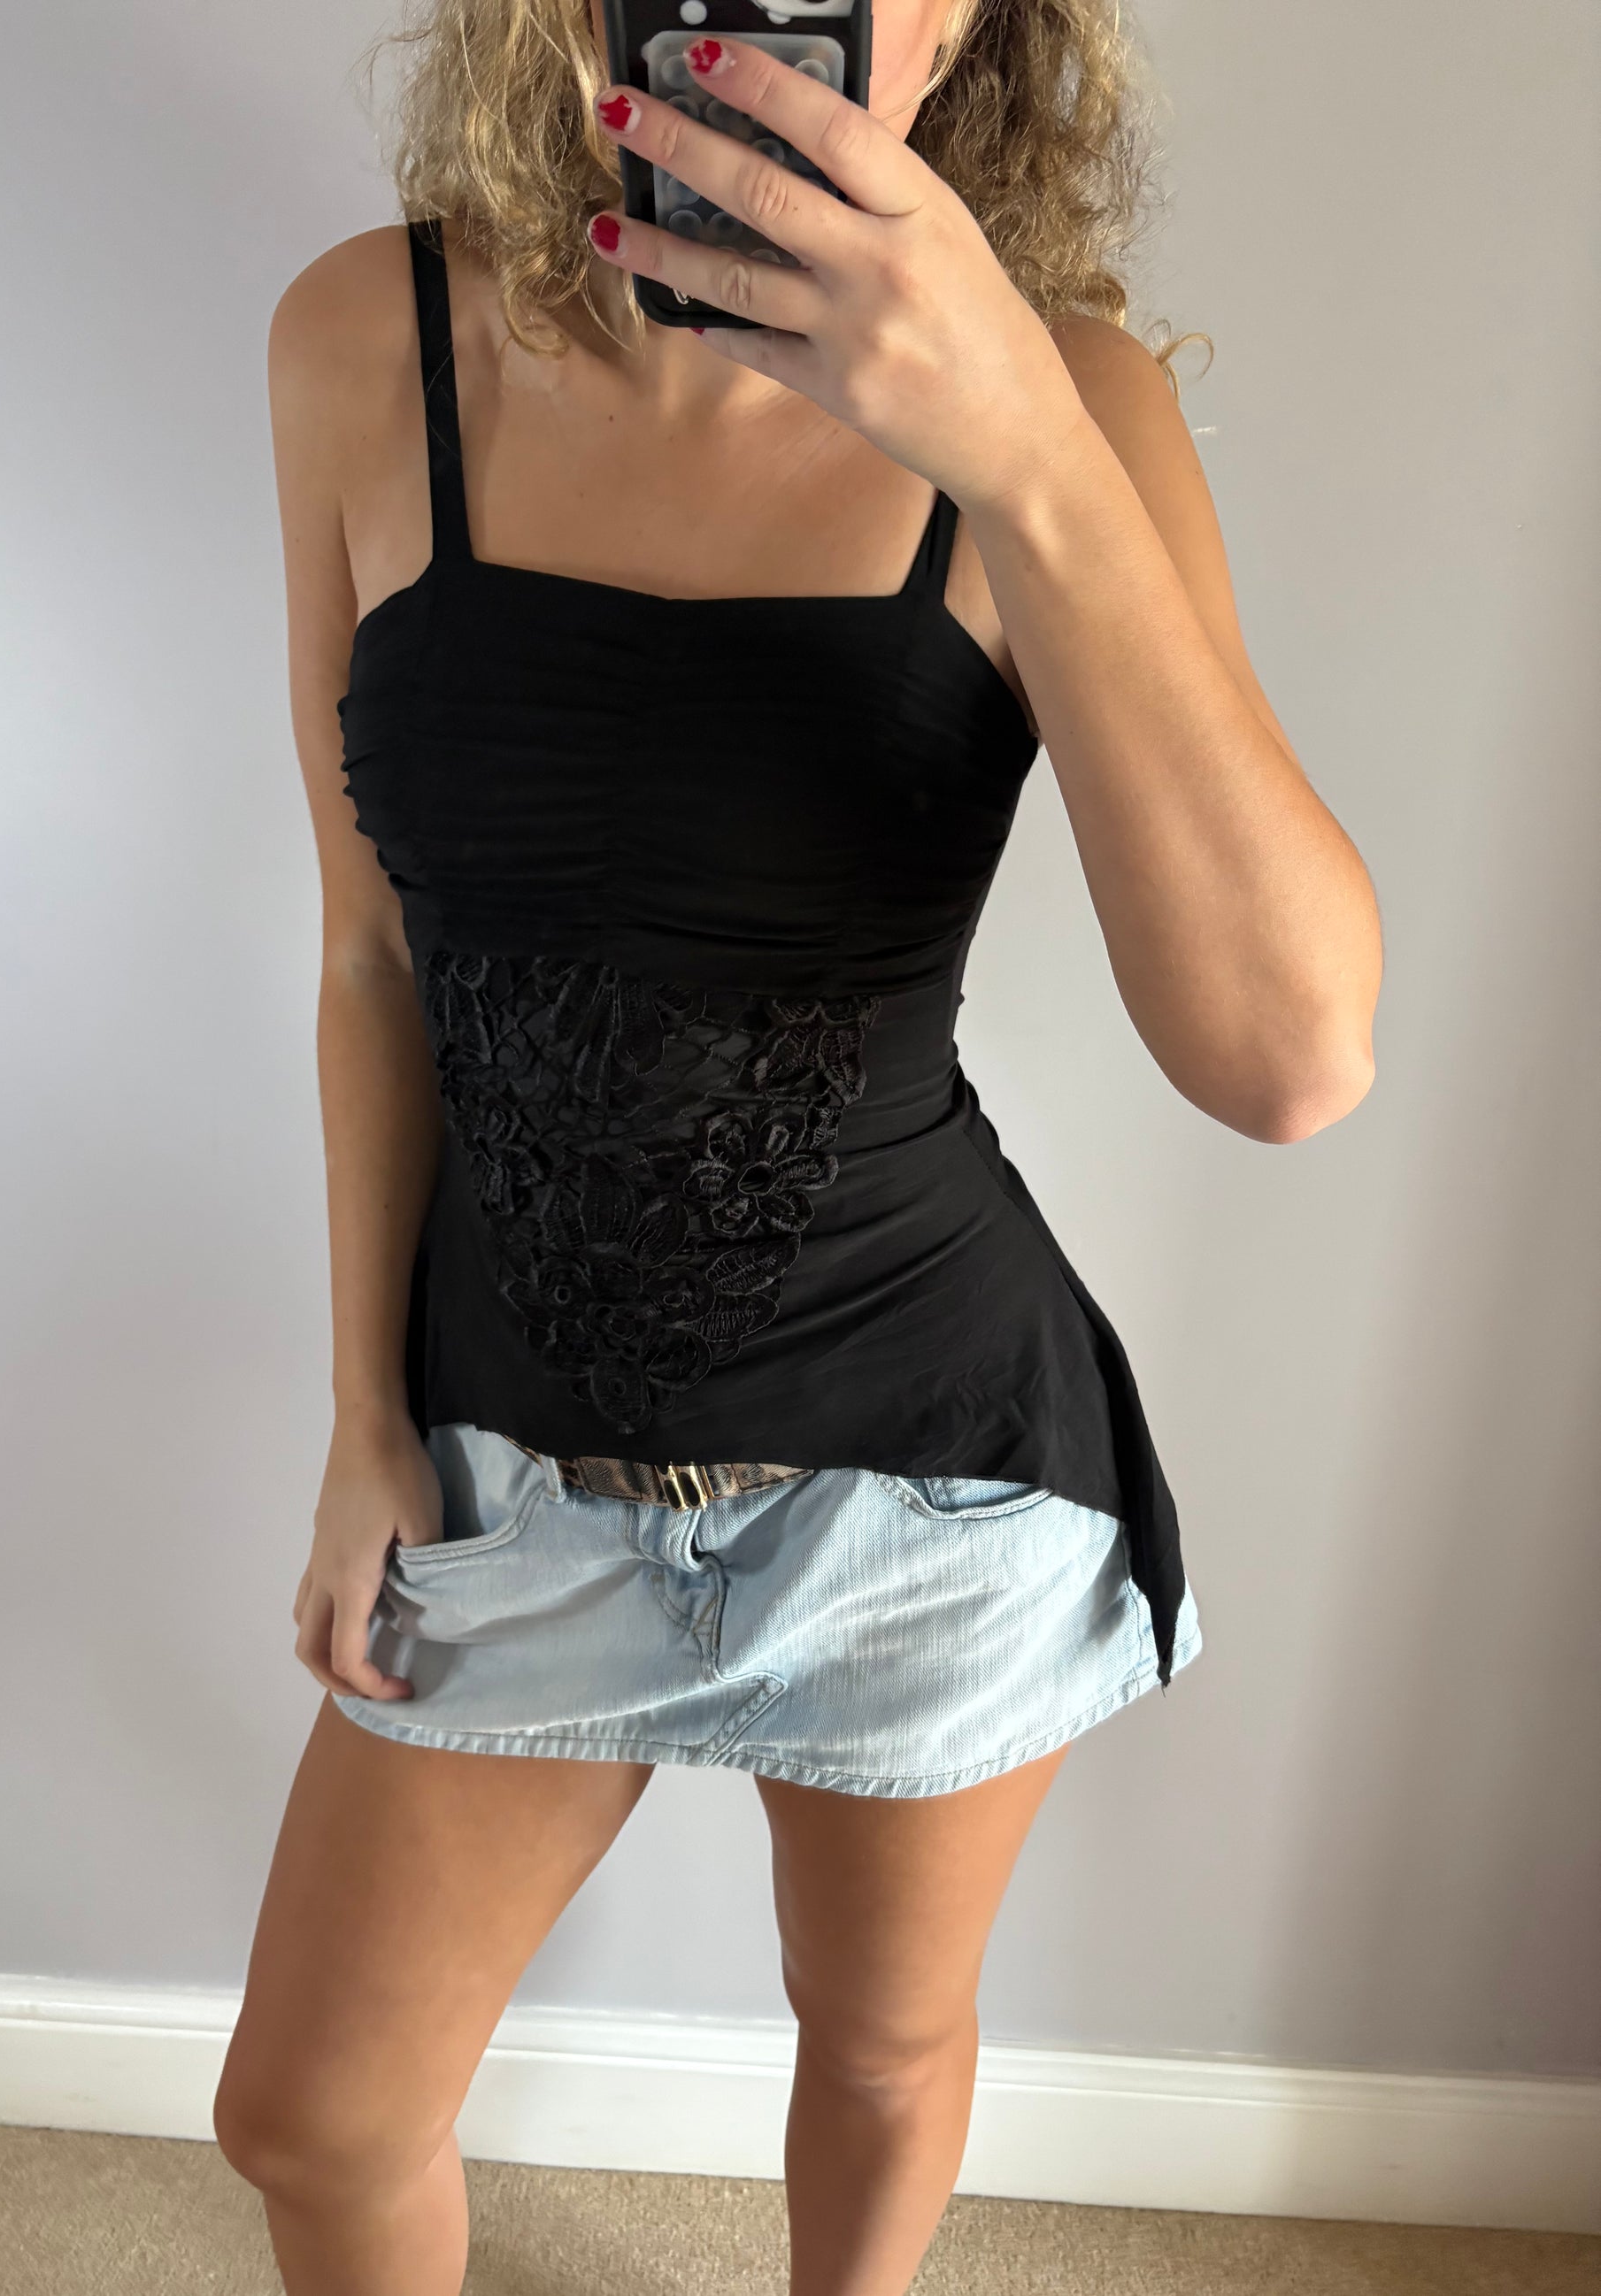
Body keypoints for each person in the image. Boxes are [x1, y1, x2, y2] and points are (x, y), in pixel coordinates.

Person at [212, 0, 1381, 2287]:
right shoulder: (366, 341)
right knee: (311, 2118)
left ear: (969, 19)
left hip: (935, 1487)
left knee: (877, 2038)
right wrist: (362, 1422)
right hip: (515, 1469)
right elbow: (369, 958)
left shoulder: (1065, 402)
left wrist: (1020, 442)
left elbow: (1288, 1056)